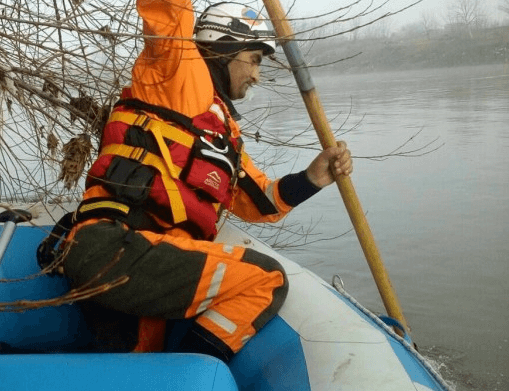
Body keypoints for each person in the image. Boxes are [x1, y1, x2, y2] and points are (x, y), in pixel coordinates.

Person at [41, 0, 353, 362]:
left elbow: (261, 201)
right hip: (115, 246)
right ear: (223, 49)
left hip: (145, 261)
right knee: (266, 279)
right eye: (254, 59)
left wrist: (314, 177)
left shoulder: (223, 135)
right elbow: (169, 11)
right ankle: (186, 378)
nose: (257, 75)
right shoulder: (176, 70)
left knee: (133, 362)